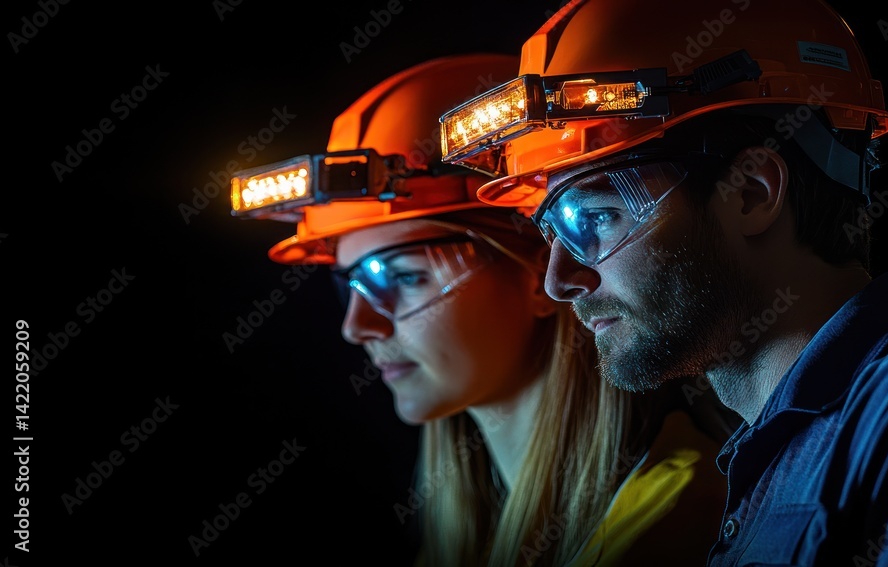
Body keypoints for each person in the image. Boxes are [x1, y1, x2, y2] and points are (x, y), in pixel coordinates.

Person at [439, 1, 888, 565]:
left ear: (752, 193)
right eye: (553, 233)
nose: (560, 282)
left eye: (598, 218)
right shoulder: (767, 459)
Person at [231, 54, 739, 566]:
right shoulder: (466, 540)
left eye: (402, 277)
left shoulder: (673, 526)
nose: (356, 327)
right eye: (352, 286)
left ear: (540, 273)